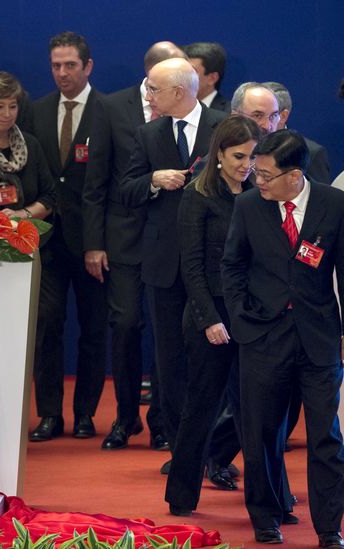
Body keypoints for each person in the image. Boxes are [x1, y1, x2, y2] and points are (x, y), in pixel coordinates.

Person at [221, 129, 344, 548]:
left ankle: (330, 527)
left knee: (325, 436)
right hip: (263, 336)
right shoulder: (248, 205)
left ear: (295, 176)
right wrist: (242, 319)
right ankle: (266, 517)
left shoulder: (334, 203)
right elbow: (232, 266)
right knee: (261, 432)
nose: (258, 181)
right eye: (257, 172)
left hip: (319, 338)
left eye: (267, 176)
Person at [119, 58, 227, 460]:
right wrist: (152, 180)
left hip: (214, 262)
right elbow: (126, 191)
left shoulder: (223, 126)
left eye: (153, 89)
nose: (148, 96)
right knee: (170, 358)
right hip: (164, 263)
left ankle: (216, 449)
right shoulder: (148, 134)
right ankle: (183, 451)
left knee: (216, 357)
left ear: (178, 92)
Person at [82, 41, 185, 451]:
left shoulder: (188, 114)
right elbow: (96, 181)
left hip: (170, 242)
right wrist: (93, 243)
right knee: (125, 326)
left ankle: (161, 419)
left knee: (166, 333)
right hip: (122, 239)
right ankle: (126, 418)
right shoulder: (112, 106)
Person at [164, 115, 260, 516]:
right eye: (239, 156)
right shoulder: (197, 195)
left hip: (252, 316)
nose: (247, 165)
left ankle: (269, 498)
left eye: (253, 158)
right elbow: (192, 267)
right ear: (219, 152)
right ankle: (182, 496)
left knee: (257, 411)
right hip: (211, 316)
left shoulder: (259, 194)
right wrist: (209, 320)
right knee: (202, 407)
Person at [28, 32, 106, 441]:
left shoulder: (108, 111)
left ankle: (86, 414)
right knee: (47, 325)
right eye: (56, 65)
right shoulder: (36, 111)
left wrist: (99, 241)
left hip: (93, 242)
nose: (62, 73)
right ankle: (50, 414)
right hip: (47, 241)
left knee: (94, 329)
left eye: (70, 65)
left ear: (88, 66)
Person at [0, 71, 55, 221]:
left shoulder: (31, 145)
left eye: (12, 107)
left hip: (29, 238)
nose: (7, 114)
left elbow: (50, 196)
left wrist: (22, 215)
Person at [261, 81, 330, 184]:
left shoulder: (311, 153)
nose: (260, 123)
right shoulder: (243, 146)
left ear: (283, 116)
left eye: (261, 115)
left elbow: (321, 197)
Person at [183, 42, 230, 113]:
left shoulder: (228, 114)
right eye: (182, 70)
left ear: (212, 78)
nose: (183, 76)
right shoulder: (171, 108)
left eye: (191, 71)